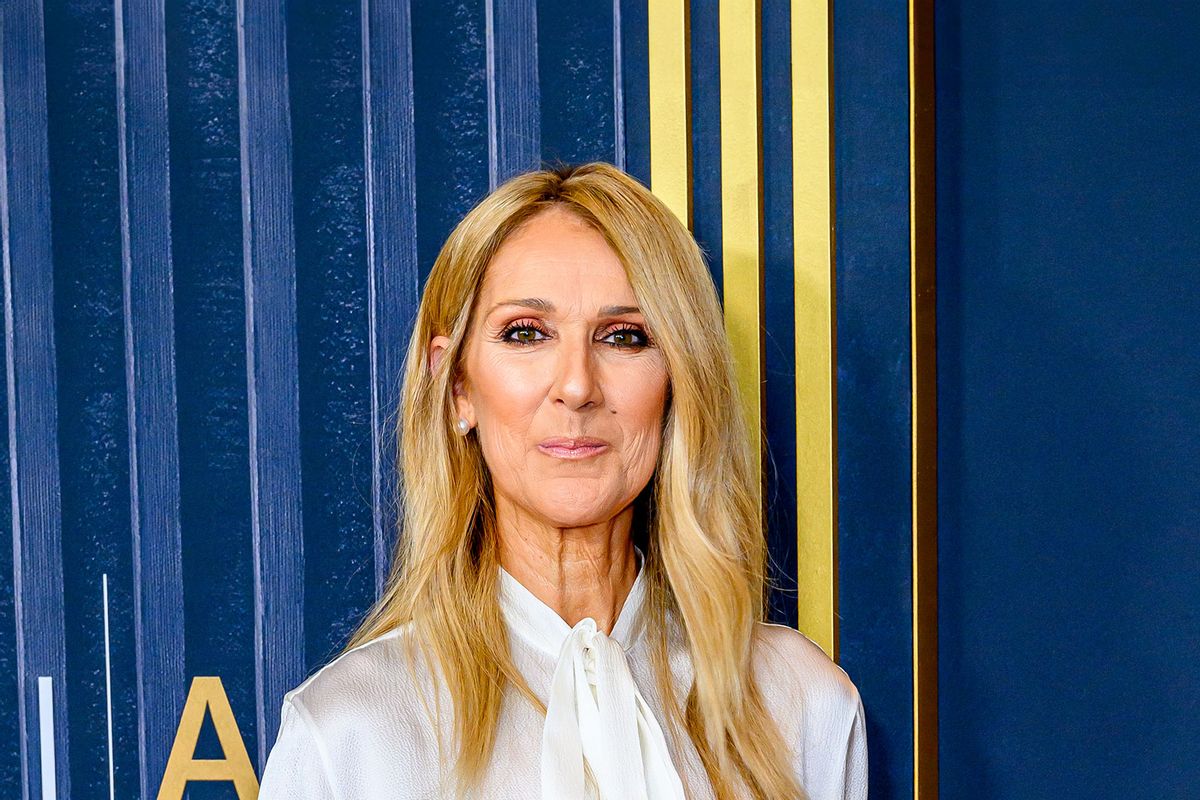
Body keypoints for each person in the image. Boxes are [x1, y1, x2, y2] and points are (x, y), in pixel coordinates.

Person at [257, 162, 867, 799]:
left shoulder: (800, 704)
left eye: (625, 337)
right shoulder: (348, 733)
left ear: (679, 381)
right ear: (456, 386)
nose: (577, 385)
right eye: (527, 334)